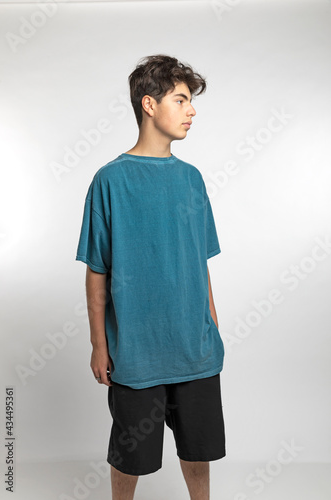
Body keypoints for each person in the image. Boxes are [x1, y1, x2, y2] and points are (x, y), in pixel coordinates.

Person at [75, 54, 226, 500]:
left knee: (198, 451)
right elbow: (97, 271)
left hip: (194, 350)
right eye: (180, 99)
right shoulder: (110, 181)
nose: (191, 110)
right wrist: (99, 344)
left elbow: (200, 263)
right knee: (130, 455)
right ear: (149, 104)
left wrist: (213, 330)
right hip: (135, 354)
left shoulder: (192, 180)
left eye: (190, 101)